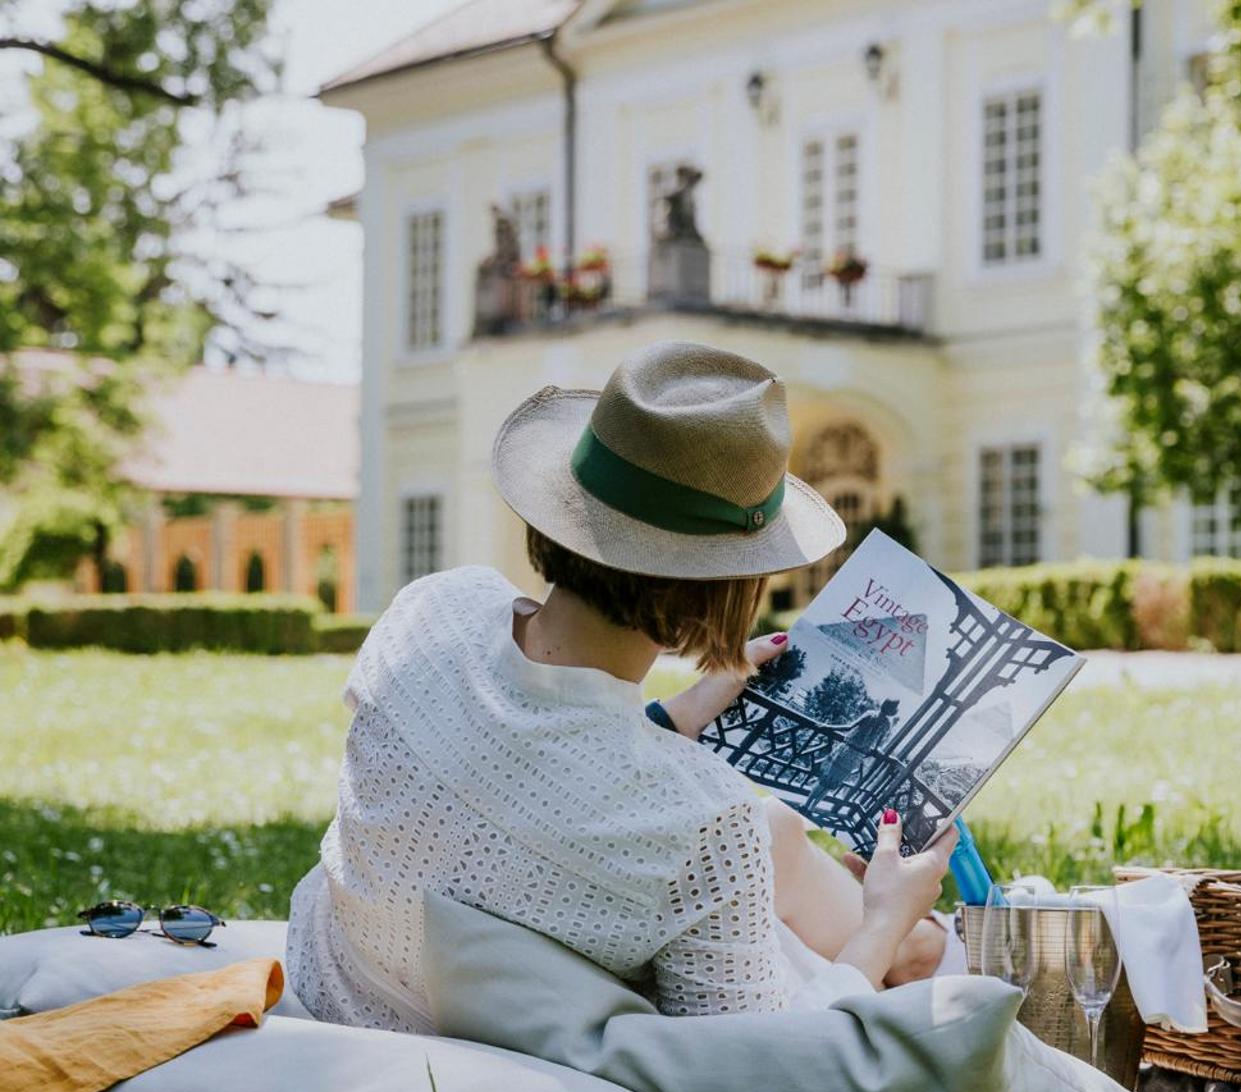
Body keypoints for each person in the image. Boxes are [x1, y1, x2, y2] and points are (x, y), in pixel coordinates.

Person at [286, 341, 956, 1033]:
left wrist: (671, 719)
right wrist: (881, 921)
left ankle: (924, 949)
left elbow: (510, 765)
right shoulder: (699, 820)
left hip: (333, 978)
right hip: (459, 1040)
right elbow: (766, 1066)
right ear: (727, 591)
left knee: (777, 830)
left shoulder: (430, 612)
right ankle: (919, 946)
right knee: (775, 849)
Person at [804, 697, 899, 816]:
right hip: (856, 757)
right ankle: (811, 808)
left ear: (883, 705)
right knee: (832, 783)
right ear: (892, 711)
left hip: (845, 750)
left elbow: (849, 727)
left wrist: (827, 726)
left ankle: (806, 805)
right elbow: (877, 745)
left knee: (825, 780)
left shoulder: (870, 714)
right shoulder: (886, 725)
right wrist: (874, 751)